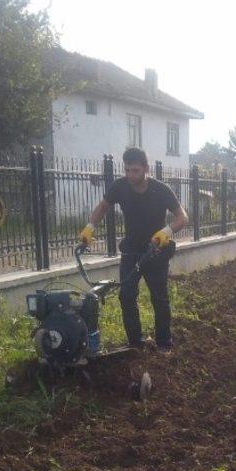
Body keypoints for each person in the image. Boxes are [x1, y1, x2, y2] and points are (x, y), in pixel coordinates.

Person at [79, 147, 188, 350]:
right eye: (127, 170)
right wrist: (89, 227)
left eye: (135, 170)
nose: (130, 175)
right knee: (126, 296)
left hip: (155, 252)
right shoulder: (120, 187)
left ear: (146, 169)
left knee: (160, 298)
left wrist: (166, 232)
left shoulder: (160, 190)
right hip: (131, 252)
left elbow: (183, 217)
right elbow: (103, 206)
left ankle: (164, 344)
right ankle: (135, 343)